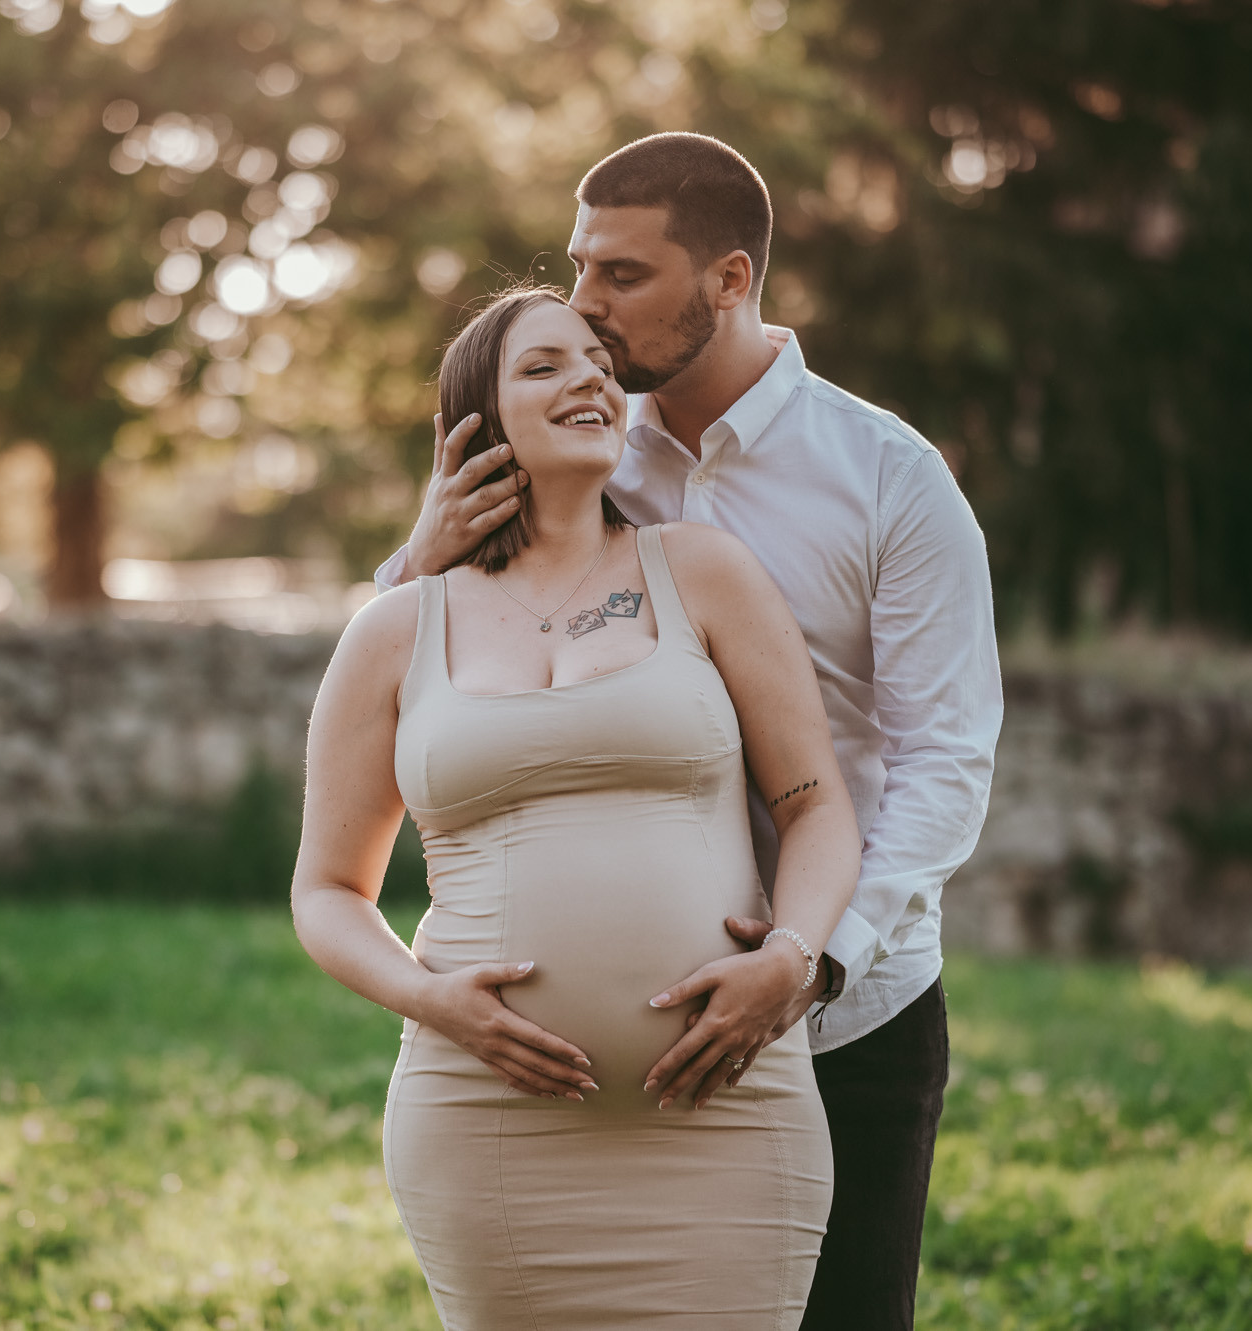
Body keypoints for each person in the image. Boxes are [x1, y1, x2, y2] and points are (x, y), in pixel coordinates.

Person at [374, 134, 1004, 1329]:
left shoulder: (888, 479)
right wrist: (420, 549)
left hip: (844, 1019)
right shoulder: (569, 441)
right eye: (575, 269)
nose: (583, 309)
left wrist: (810, 959)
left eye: (620, 276)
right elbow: (409, 679)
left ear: (727, 280)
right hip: (574, 1062)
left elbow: (942, 755)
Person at [291, 285, 861, 1328]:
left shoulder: (701, 572)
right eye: (544, 364)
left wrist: (790, 954)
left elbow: (815, 804)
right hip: (484, 1122)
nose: (589, 377)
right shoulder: (391, 630)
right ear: (469, 423)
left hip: (722, 1115)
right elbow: (327, 890)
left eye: (597, 361)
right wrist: (430, 998)